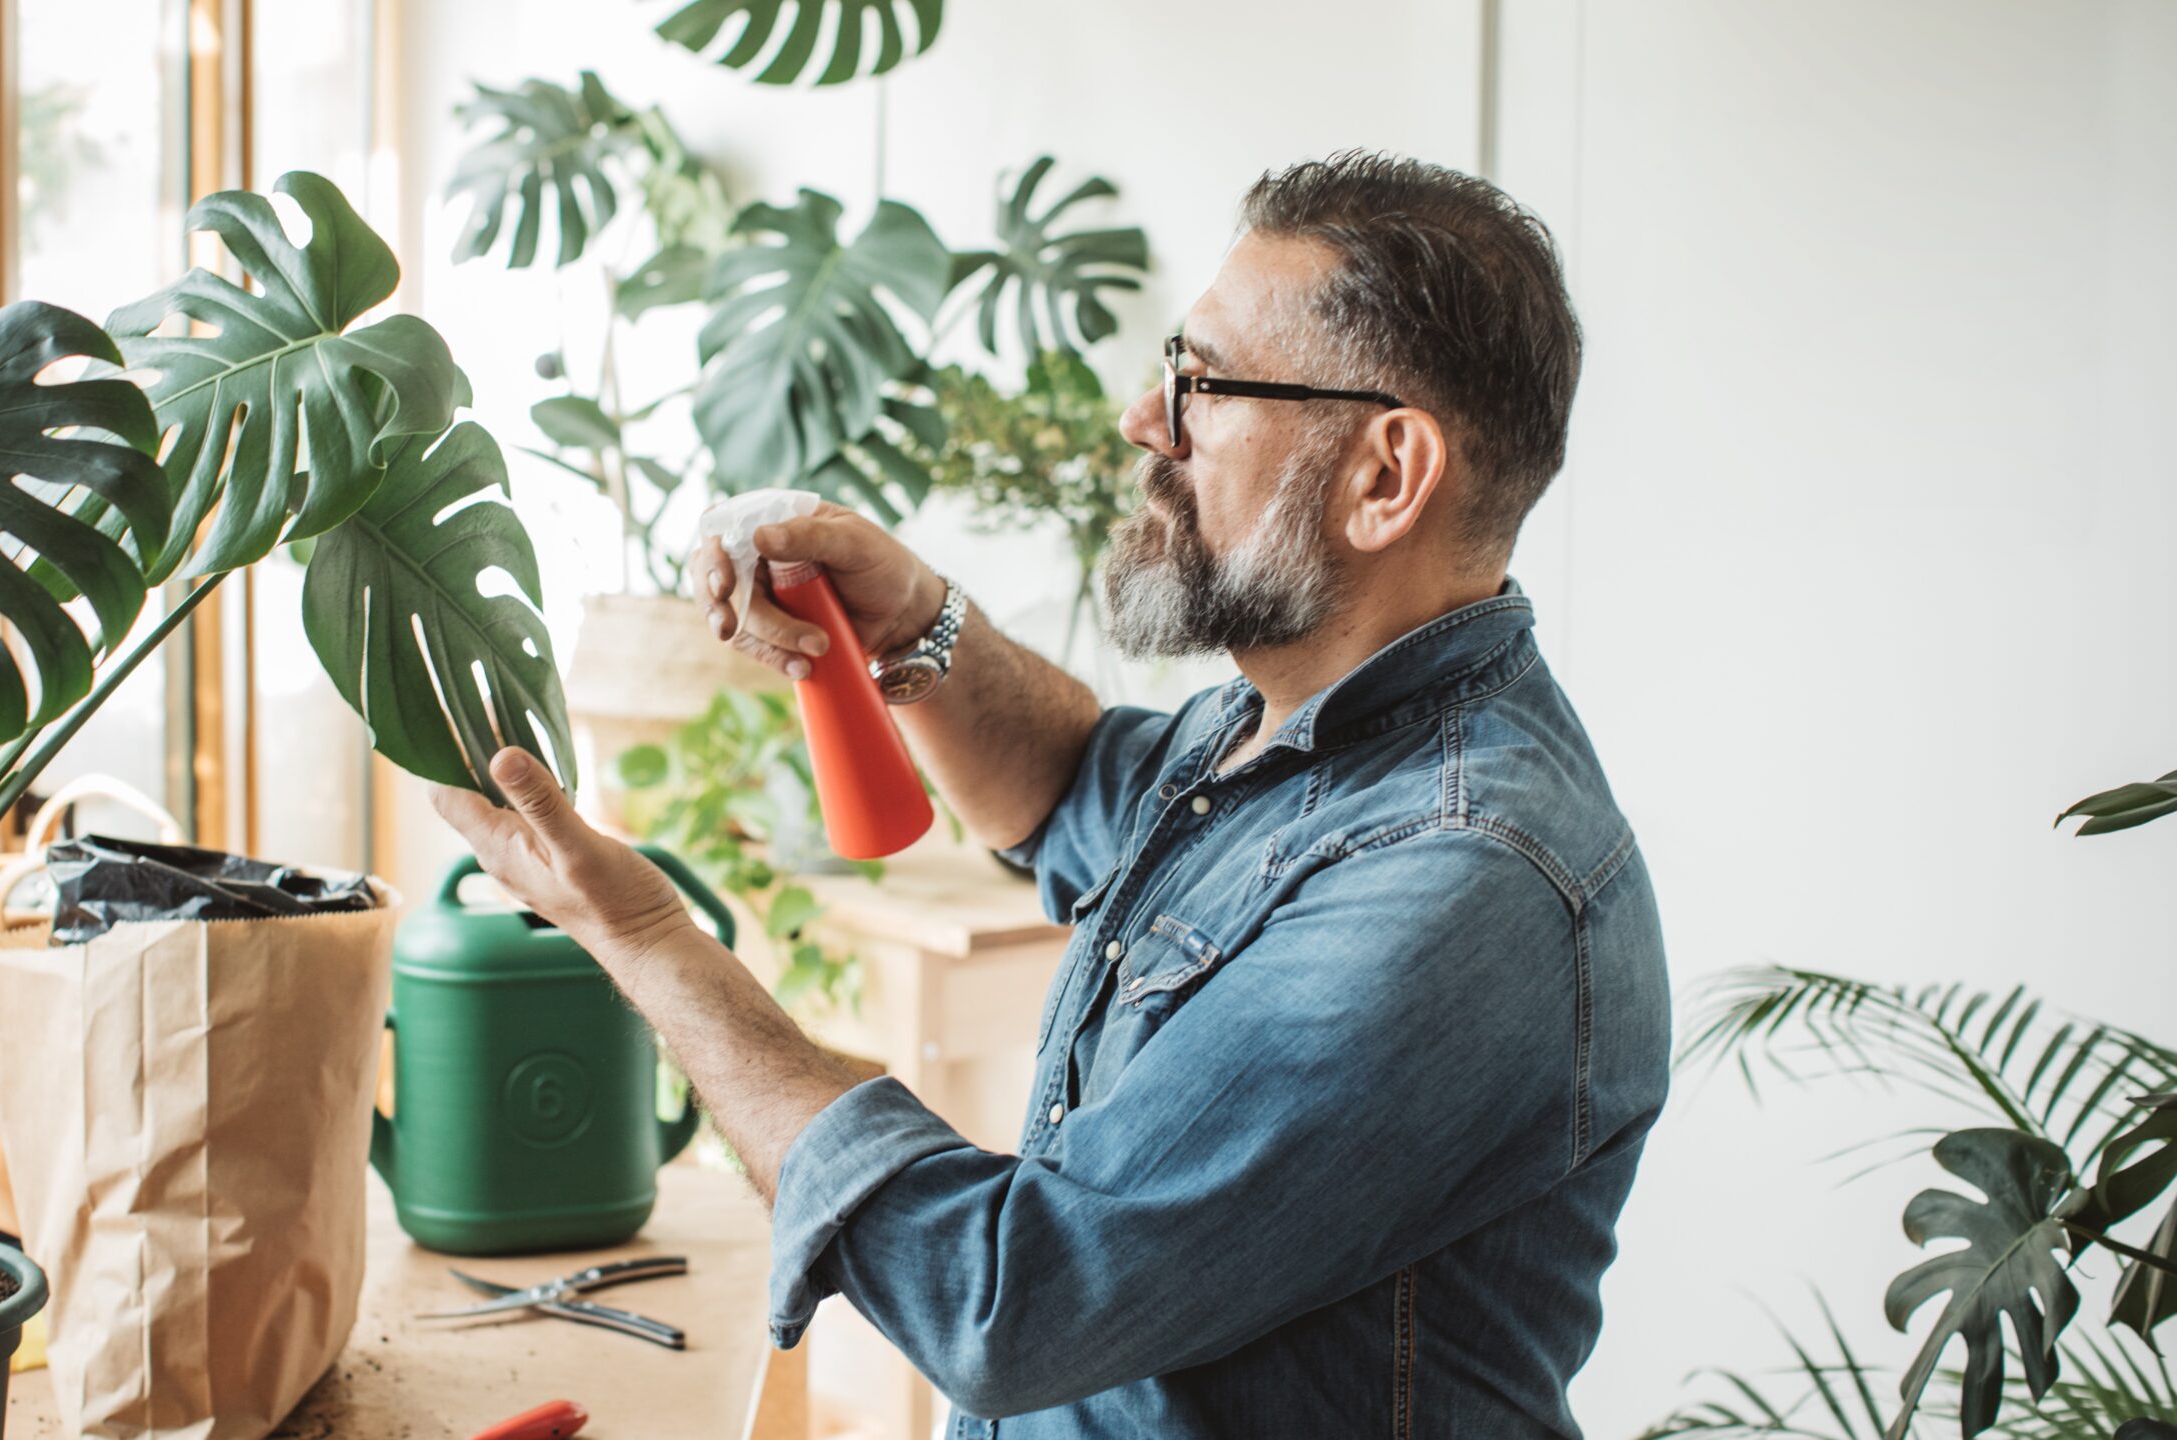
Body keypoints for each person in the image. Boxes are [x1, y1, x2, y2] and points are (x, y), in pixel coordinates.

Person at [432, 149, 1671, 1438]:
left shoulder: (1460, 882)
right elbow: (1076, 787)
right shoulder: (1290, 728)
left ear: (1384, 476)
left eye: (1203, 384)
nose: (1147, 420)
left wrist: (646, 943)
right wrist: (914, 620)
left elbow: (1009, 1301)